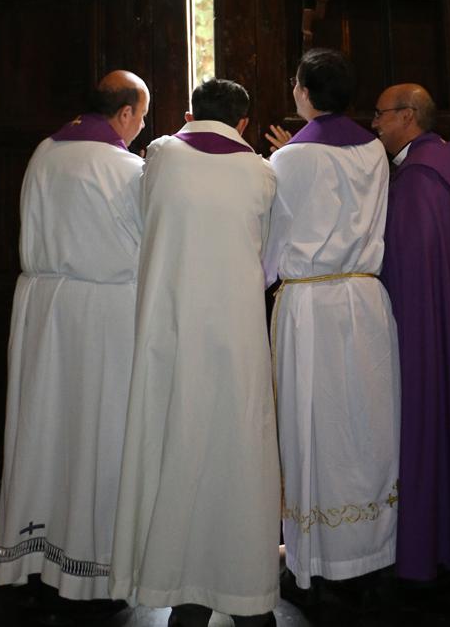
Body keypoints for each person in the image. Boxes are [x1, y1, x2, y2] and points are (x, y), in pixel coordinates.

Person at [109, 77, 279, 627]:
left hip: (171, 326)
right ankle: (245, 586)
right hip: (236, 335)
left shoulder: (159, 154)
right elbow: (268, 253)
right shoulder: (260, 171)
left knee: (174, 447)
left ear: (189, 112)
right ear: (245, 123)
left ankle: (179, 583)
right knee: (238, 455)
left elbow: (144, 220)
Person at [0, 70, 149, 608]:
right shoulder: (127, 168)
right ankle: (95, 566)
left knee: (46, 428)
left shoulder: (44, 152)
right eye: (143, 116)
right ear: (126, 113)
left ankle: (38, 556)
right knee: (98, 431)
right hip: (102, 316)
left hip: (43, 309)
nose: (141, 126)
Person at [264, 48, 400, 596]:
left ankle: (316, 558)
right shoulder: (373, 149)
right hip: (365, 301)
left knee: (312, 427)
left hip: (308, 307)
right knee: (365, 429)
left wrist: (262, 273)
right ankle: (370, 550)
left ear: (303, 91)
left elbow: (273, 239)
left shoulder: (289, 160)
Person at [374, 83, 450, 583]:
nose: (375, 124)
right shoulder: (443, 162)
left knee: (430, 419)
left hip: (429, 324)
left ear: (408, 116)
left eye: (382, 114)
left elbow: (412, 265)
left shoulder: (420, 178)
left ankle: (437, 545)